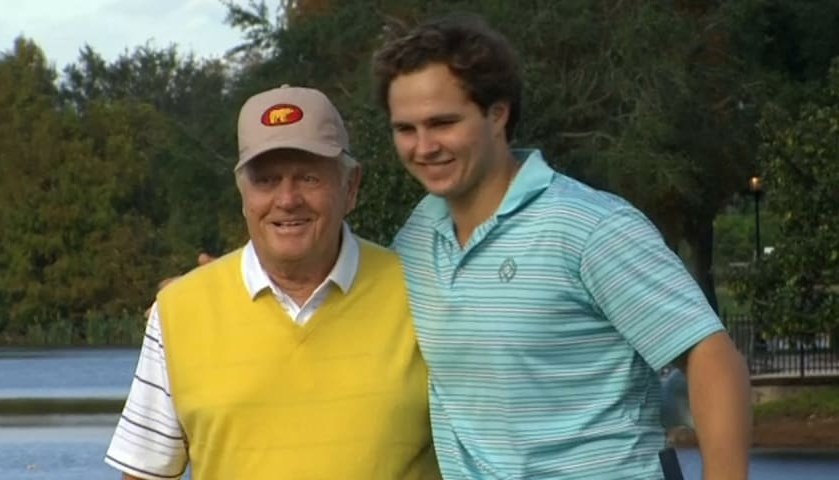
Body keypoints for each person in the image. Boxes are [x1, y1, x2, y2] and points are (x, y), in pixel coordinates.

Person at [370, 12, 752, 479]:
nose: (423, 146)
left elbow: (712, 357)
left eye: (443, 122)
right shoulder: (414, 239)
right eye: (405, 129)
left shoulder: (588, 226)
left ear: (497, 114)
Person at [104, 86, 440, 479]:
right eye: (266, 181)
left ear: (351, 187)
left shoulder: (425, 294)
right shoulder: (178, 311)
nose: (287, 199)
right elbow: (144, 474)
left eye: (309, 178)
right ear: (243, 194)